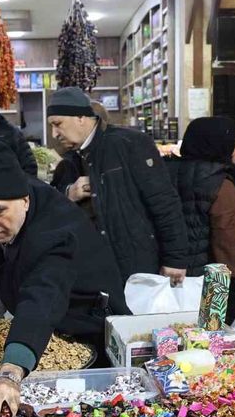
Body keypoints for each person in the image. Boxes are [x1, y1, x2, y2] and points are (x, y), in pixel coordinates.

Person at [0, 146, 129, 417]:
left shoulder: (54, 232)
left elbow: (43, 296)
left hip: (87, 324)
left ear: (25, 201)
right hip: (46, 322)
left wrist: (11, 371)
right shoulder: (9, 203)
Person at [47, 86, 188, 286]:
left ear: (80, 118)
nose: (54, 133)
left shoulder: (129, 144)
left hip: (137, 266)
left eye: (57, 124)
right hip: (94, 270)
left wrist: (175, 258)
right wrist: (69, 192)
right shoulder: (70, 159)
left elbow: (164, 202)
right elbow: (53, 205)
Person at [169, 117, 235, 321]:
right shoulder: (220, 184)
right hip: (209, 280)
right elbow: (226, 239)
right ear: (219, 143)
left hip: (167, 274)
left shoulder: (166, 171)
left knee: (170, 333)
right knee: (208, 335)